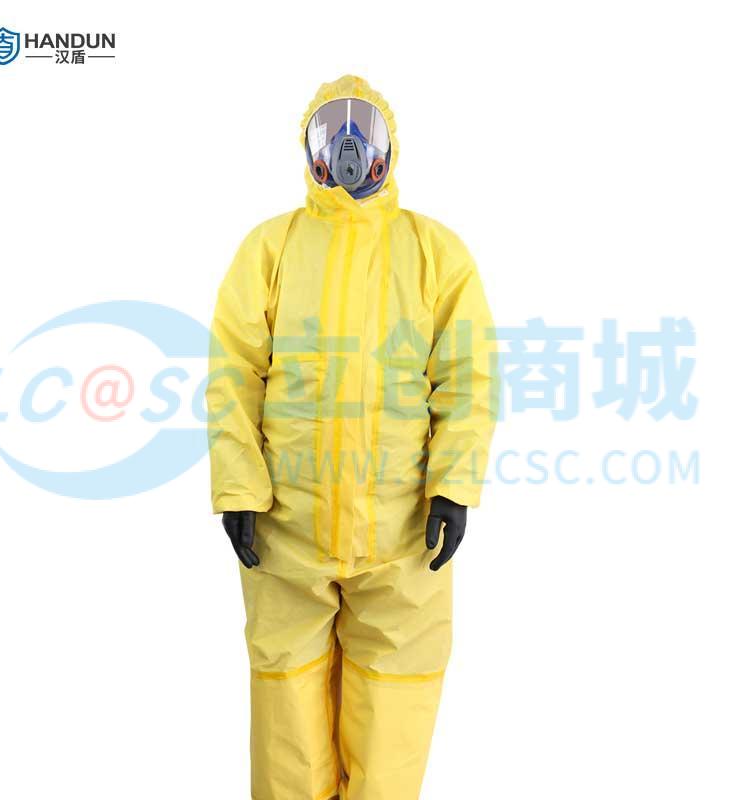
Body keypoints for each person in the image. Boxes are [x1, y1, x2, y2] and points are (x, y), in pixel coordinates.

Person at [206, 75, 497, 800]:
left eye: (361, 129)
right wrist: (238, 488)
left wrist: (453, 485)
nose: (347, 143)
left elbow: (468, 377)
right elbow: (233, 373)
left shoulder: (434, 252)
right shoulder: (271, 248)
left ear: (388, 147)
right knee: (288, 725)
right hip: (288, 531)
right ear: (308, 145)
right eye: (331, 128)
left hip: (403, 534)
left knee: (391, 725)